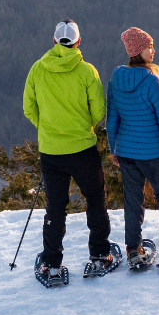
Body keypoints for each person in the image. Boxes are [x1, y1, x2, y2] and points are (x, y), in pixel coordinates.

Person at [21, 19, 111, 282]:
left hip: (51, 151)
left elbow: (29, 108)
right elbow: (99, 110)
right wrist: (84, 126)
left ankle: (51, 264)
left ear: (54, 40)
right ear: (78, 41)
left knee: (56, 207)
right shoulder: (86, 71)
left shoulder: (38, 69)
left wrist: (48, 127)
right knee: (95, 199)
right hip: (83, 147)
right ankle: (99, 254)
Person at [104, 26, 159, 268]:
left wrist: (114, 148)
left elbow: (112, 118)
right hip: (153, 150)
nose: (153, 51)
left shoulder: (116, 79)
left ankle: (133, 249)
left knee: (133, 200)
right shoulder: (152, 81)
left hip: (126, 151)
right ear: (138, 50)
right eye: (150, 47)